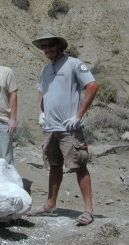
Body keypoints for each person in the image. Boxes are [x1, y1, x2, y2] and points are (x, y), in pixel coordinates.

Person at [27, 27, 99, 226]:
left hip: (69, 127)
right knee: (54, 164)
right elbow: (42, 90)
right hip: (50, 127)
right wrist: (41, 112)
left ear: (59, 45)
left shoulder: (74, 64)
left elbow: (92, 86)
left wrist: (78, 115)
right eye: (44, 46)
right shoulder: (46, 69)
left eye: (50, 45)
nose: (47, 49)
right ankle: (50, 204)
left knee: (79, 165)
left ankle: (88, 210)